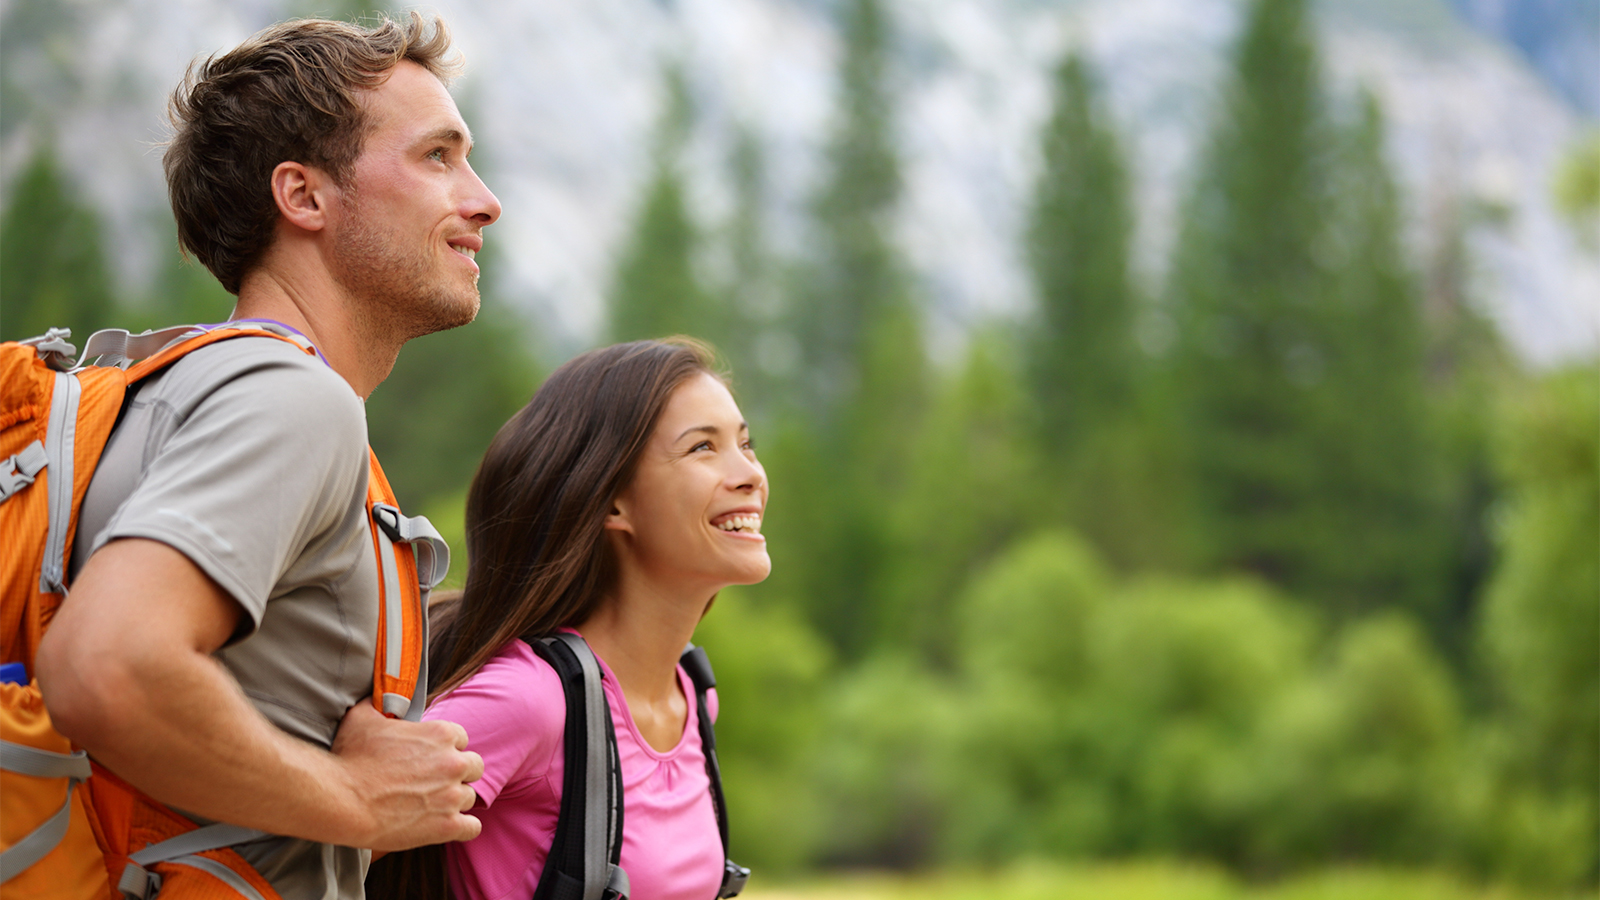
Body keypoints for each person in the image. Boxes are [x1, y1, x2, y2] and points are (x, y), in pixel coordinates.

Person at [34, 13, 499, 899]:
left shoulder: (173, 390)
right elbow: (105, 664)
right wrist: (358, 799)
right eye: (437, 156)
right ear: (305, 197)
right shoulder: (294, 397)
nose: (483, 198)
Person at [373, 339, 768, 900]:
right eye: (704, 448)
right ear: (612, 502)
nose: (749, 474)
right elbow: (311, 853)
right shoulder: (529, 702)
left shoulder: (694, 697)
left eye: (746, 445)